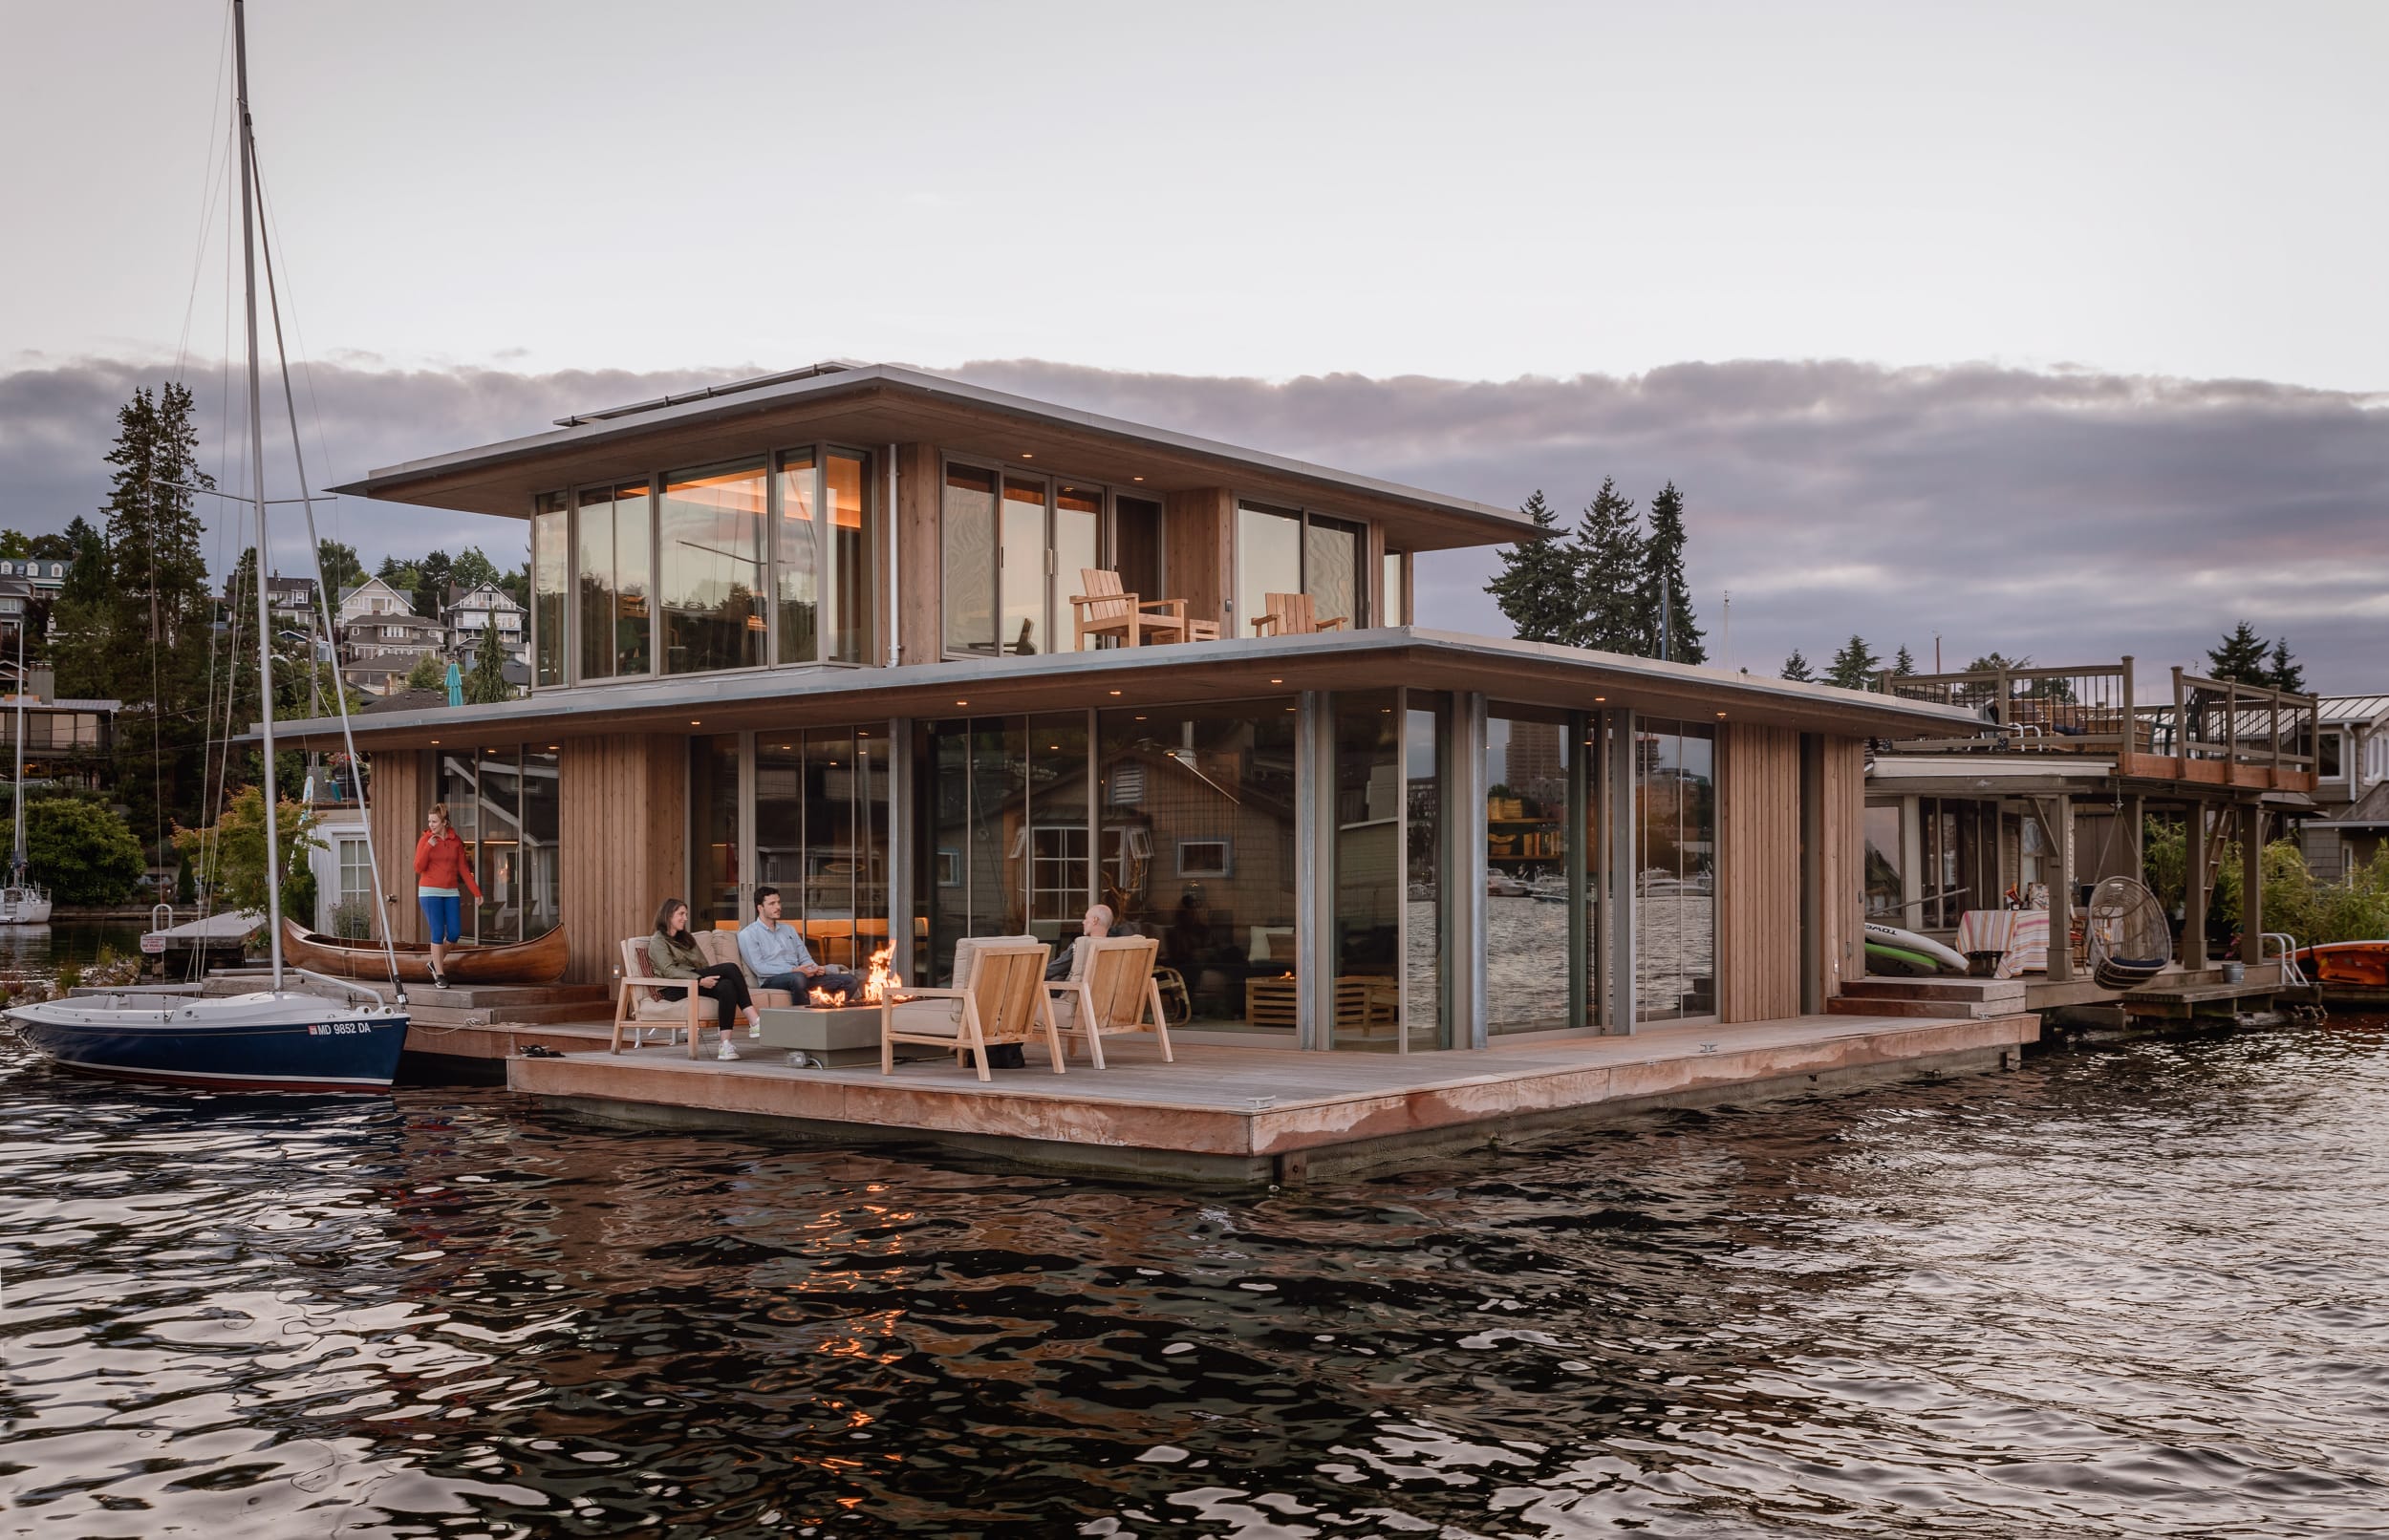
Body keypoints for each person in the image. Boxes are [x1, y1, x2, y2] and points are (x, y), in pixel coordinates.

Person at [647, 897, 757, 1059]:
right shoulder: (658, 941)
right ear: (668, 915)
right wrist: (699, 979)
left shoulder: (686, 938)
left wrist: (702, 977)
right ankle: (754, 1020)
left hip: (695, 979)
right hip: (673, 987)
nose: (685, 918)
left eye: (686, 914)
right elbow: (669, 971)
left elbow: (703, 963)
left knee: (727, 986)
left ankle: (725, 1046)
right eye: (681, 914)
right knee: (730, 968)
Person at [739, 887, 861, 1000]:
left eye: (779, 902)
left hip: (801, 976)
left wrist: (814, 969)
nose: (778, 907)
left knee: (850, 981)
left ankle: (830, 1012)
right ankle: (802, 1020)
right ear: (760, 908)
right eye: (772, 903)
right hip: (773, 980)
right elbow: (760, 968)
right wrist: (793, 970)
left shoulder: (789, 929)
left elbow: (804, 957)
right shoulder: (748, 934)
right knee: (798, 978)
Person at [413, 802, 483, 991]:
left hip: (451, 892)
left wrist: (476, 892)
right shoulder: (425, 840)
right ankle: (440, 975)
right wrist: (429, 846)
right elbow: (418, 867)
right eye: (429, 821)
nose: (431, 825)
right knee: (437, 933)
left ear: (445, 822)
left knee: (454, 933)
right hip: (429, 892)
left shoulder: (455, 841)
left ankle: (435, 963)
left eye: (435, 821)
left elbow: (463, 869)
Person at [1046, 903, 1116, 982]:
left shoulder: (1082, 946)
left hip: (1077, 992)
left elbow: (1052, 970)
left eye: (1086, 918)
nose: (1083, 922)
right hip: (1103, 992)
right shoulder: (1115, 948)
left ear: (1095, 920)